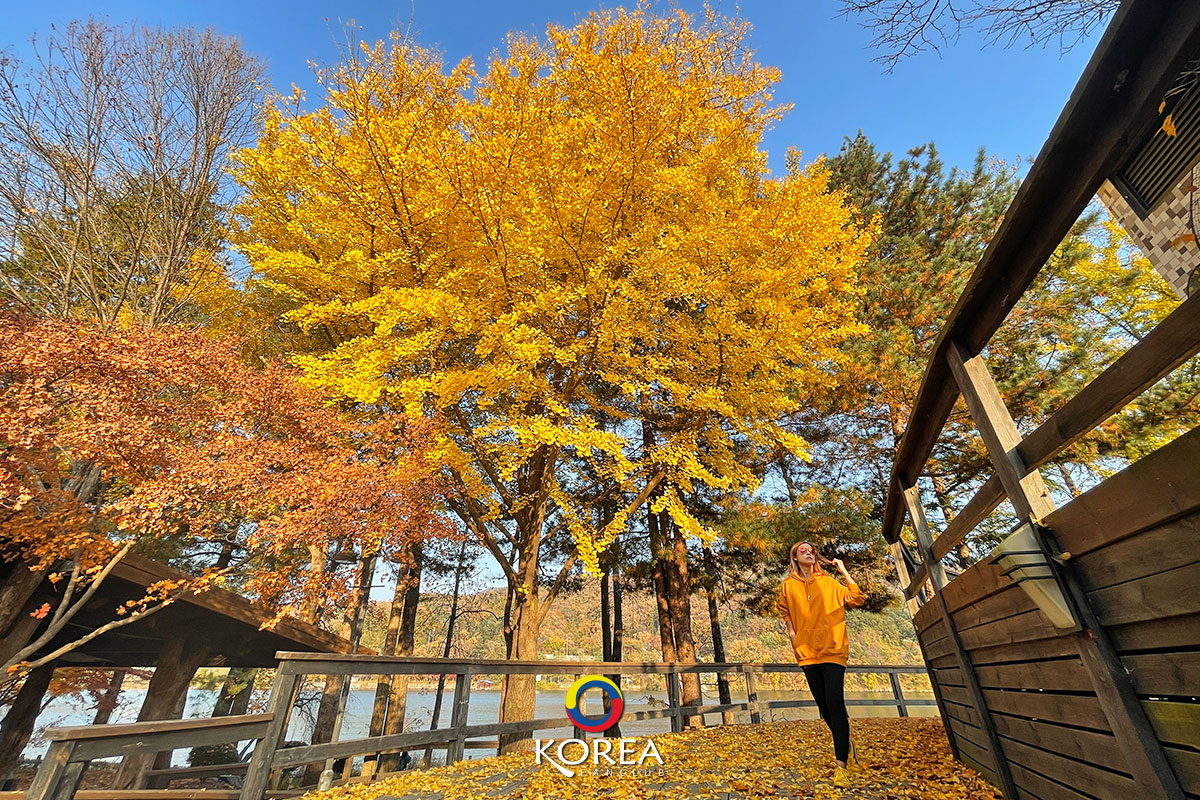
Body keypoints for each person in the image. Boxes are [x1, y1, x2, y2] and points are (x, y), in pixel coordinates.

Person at [775, 541, 866, 789]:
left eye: (811, 549)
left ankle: (841, 768)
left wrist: (843, 570)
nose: (808, 551)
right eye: (802, 550)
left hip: (833, 648)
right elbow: (784, 611)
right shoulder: (788, 586)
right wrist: (793, 635)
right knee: (825, 707)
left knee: (835, 702)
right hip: (806, 652)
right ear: (794, 557)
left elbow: (856, 598)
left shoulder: (828, 582)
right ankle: (846, 745)